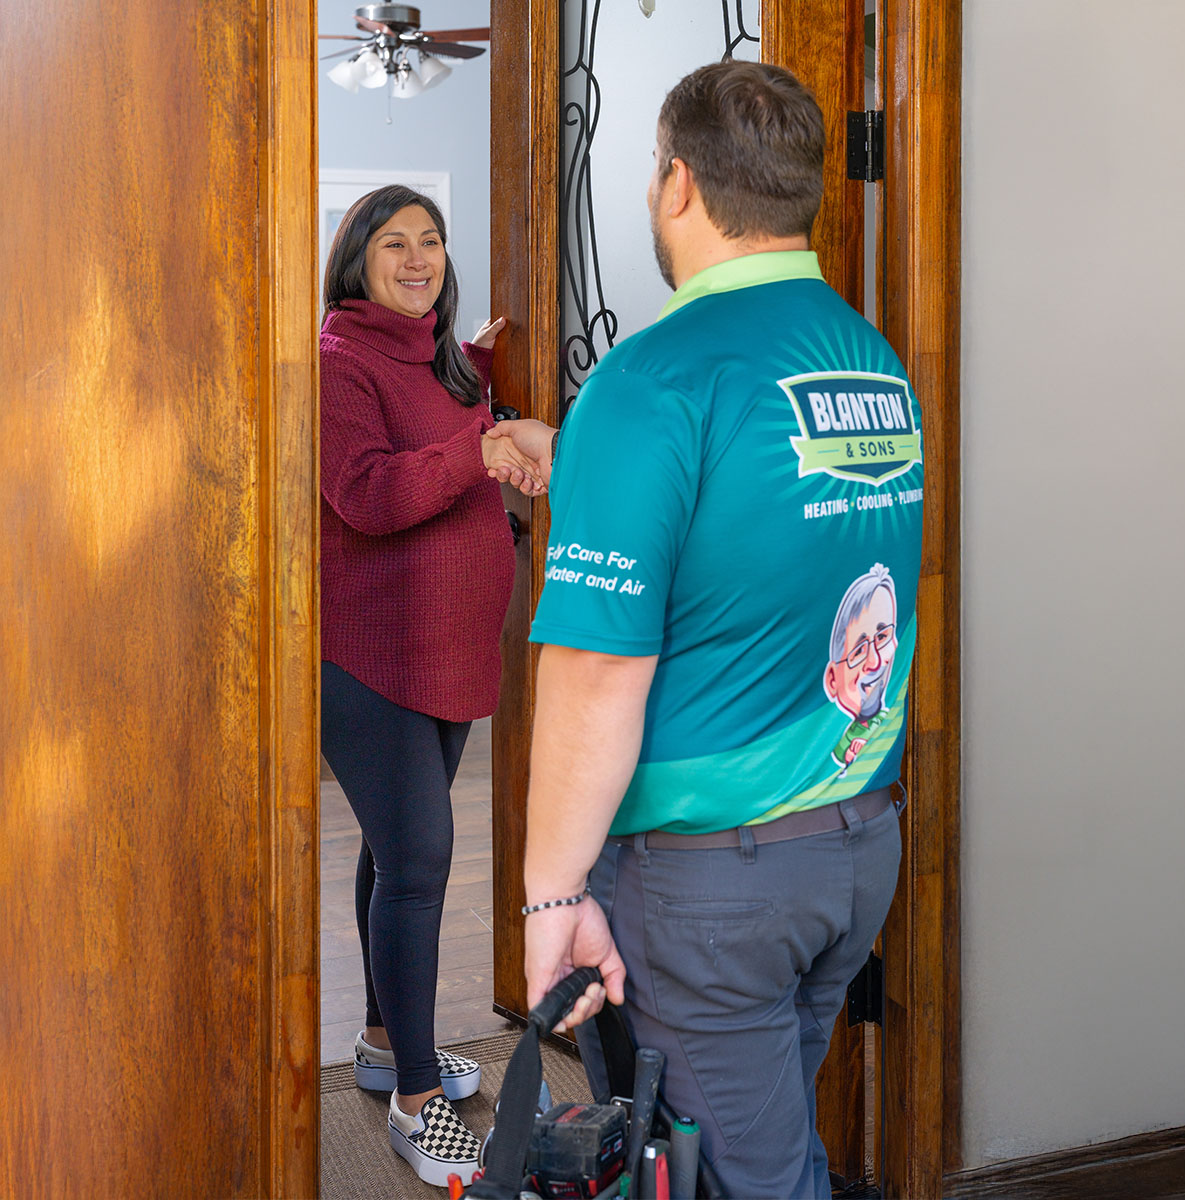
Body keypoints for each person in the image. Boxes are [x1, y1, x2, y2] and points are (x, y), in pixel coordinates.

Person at [521, 62, 925, 1198]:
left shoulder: (652, 380)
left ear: (679, 184)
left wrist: (551, 897)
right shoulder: (872, 363)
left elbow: (596, 671)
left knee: (751, 1179)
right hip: (852, 850)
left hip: (711, 892)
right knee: (766, 1149)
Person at [319, 184, 554, 1189]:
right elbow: (367, 493)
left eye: (431, 241)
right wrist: (485, 446)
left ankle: (383, 1045)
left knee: (393, 851)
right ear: (356, 260)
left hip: (446, 649)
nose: (418, 259)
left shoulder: (440, 357)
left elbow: (443, 420)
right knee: (420, 859)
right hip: (370, 654)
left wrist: (485, 378)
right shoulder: (339, 359)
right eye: (394, 244)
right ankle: (416, 1101)